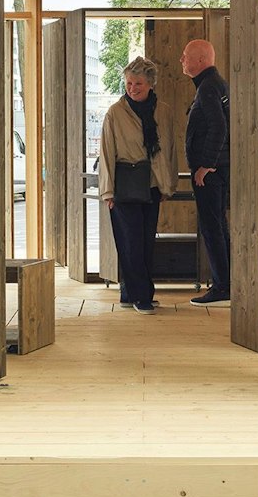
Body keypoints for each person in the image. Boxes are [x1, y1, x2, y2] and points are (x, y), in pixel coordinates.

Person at [98, 57, 176, 314]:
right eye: (129, 83)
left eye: (138, 83)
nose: (132, 88)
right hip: (125, 184)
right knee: (130, 242)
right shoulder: (115, 112)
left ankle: (130, 292)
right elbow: (107, 152)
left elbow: (170, 150)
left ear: (150, 84)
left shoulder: (163, 111)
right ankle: (141, 296)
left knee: (145, 242)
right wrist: (108, 192)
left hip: (152, 184)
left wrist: (167, 185)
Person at [181, 38, 231, 308]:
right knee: (218, 225)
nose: (182, 60)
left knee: (212, 227)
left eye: (186, 56)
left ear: (201, 60)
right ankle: (226, 282)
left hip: (210, 173)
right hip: (216, 169)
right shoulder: (214, 84)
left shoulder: (209, 87)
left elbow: (219, 127)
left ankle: (222, 286)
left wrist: (206, 165)